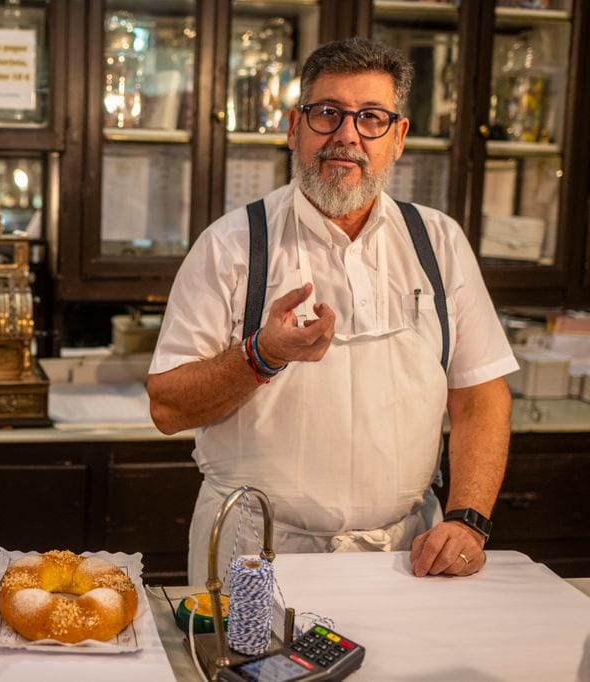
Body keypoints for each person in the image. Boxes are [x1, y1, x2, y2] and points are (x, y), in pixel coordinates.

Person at [146, 37, 517, 586]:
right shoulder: (232, 244)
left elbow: (480, 394)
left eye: (371, 118)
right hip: (256, 552)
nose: (347, 135)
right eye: (328, 114)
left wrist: (467, 519)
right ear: (295, 128)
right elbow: (168, 407)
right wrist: (262, 355)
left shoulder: (438, 241)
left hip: (407, 554)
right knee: (249, 674)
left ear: (398, 138)